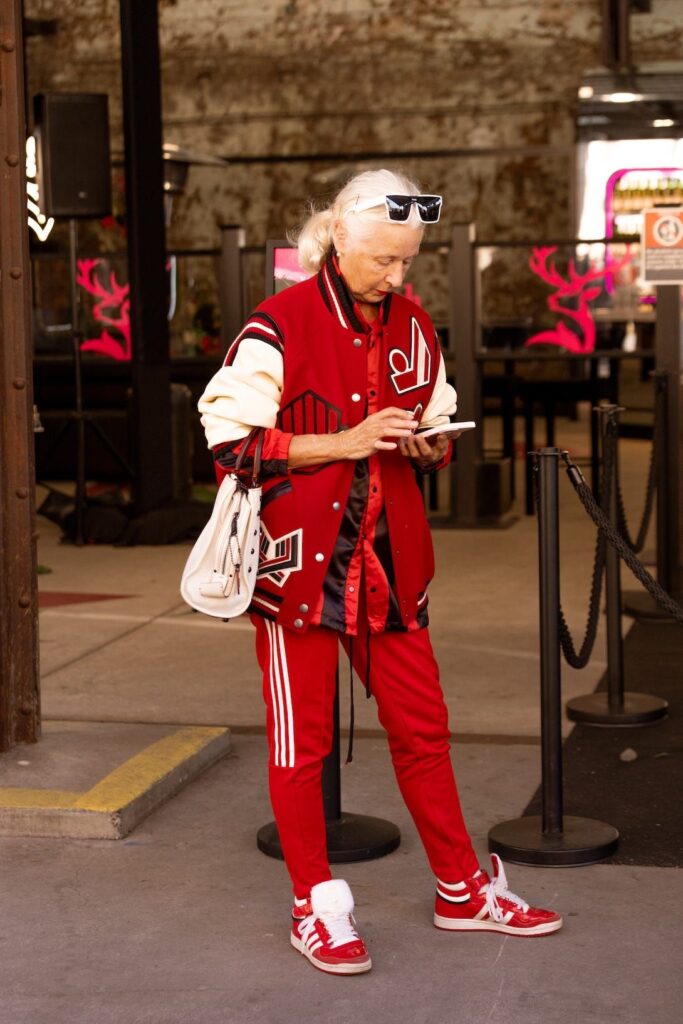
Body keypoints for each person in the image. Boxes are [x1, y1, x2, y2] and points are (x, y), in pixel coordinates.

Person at [198, 169, 562, 976]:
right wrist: (345, 441)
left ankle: (461, 891)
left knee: (424, 733)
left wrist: (430, 445)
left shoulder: (413, 322)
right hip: (296, 571)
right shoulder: (277, 323)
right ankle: (313, 907)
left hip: (391, 566)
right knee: (300, 747)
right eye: (382, 260)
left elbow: (434, 419)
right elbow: (228, 446)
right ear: (337, 239)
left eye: (406, 262)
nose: (396, 277)